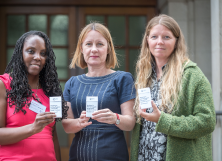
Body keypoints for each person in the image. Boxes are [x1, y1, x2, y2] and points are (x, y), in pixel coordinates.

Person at [130, 14, 216, 161]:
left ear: (176, 41)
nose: (159, 42)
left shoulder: (192, 75)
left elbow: (207, 122)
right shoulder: (144, 75)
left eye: (166, 37)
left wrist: (164, 120)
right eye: (154, 37)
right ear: (147, 40)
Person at [0, 31, 68, 161]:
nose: (38, 57)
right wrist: (32, 128)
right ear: (20, 53)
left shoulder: (49, 90)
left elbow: (52, 135)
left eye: (43, 53)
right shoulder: (2, 85)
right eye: (31, 51)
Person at [62, 22, 136, 161]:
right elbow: (67, 126)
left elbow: (130, 122)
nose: (94, 49)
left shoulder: (122, 79)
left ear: (108, 48)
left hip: (113, 156)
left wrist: (115, 118)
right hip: (78, 156)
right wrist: (79, 122)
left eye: (100, 44)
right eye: (88, 44)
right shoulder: (72, 83)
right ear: (81, 49)